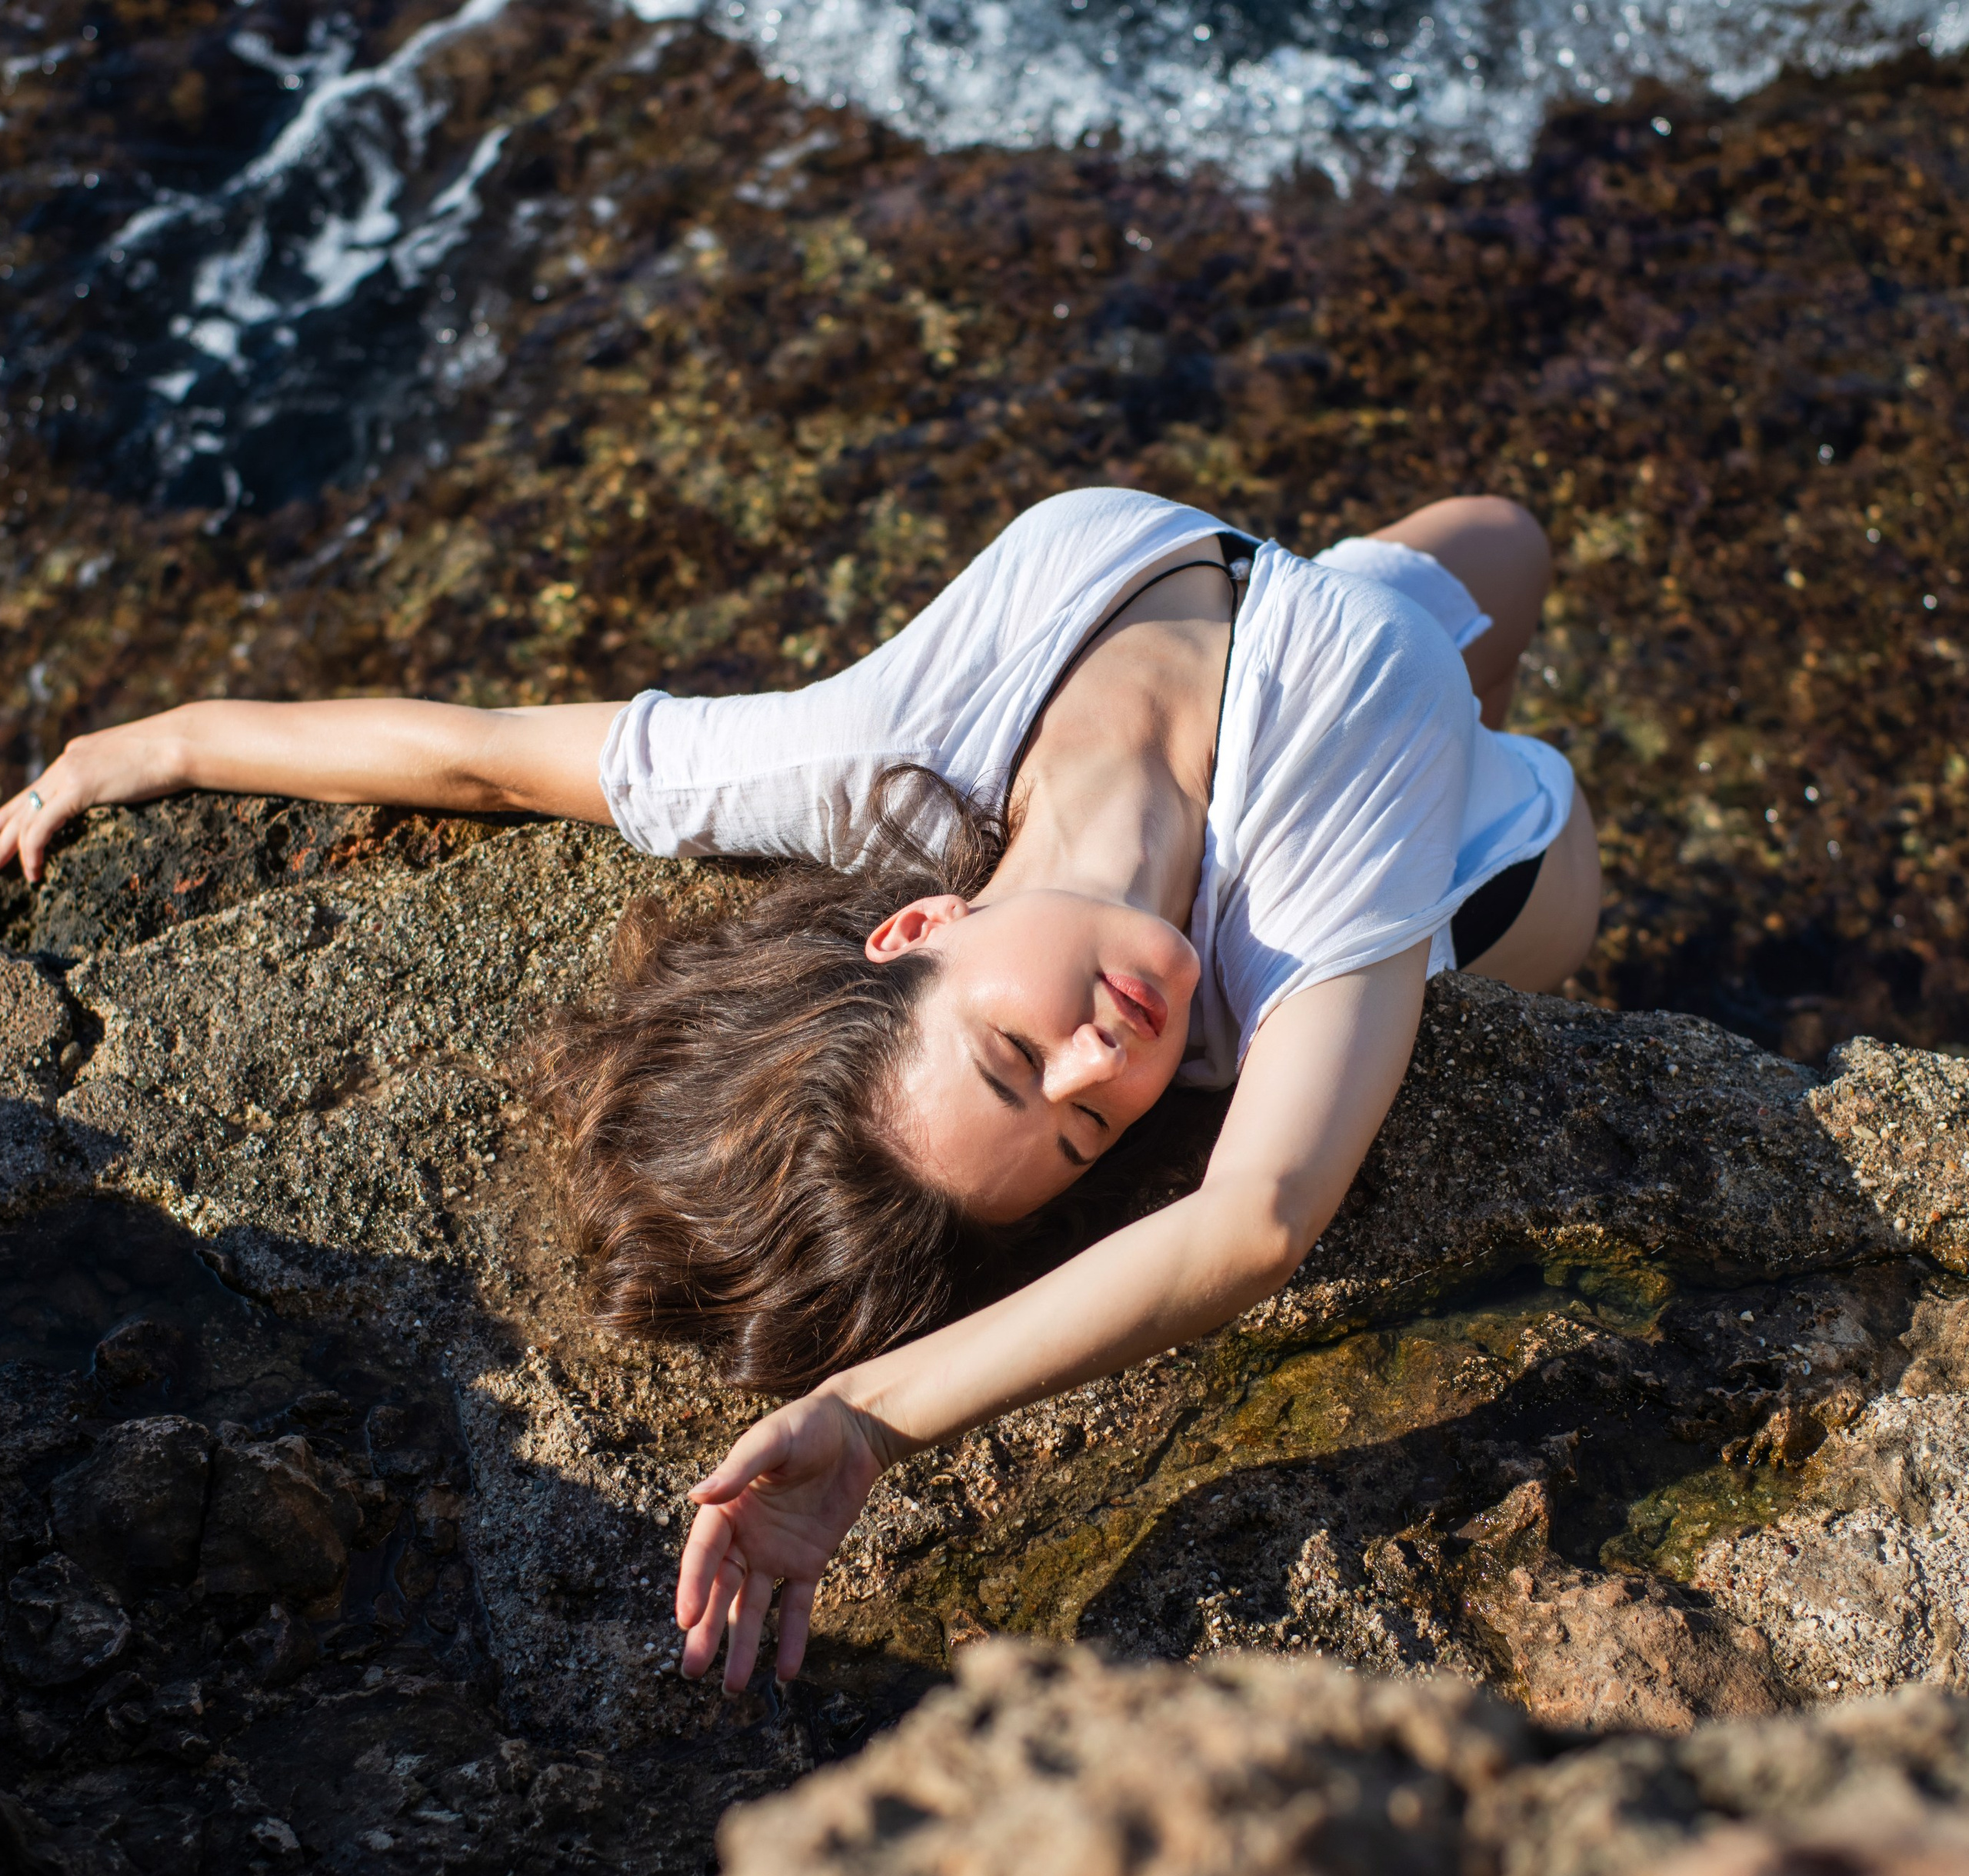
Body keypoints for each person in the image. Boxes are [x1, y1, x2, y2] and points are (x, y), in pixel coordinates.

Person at [0, 488, 1599, 1694]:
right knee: (1496, 576)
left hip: (1358, 676)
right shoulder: (1319, 829)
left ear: (914, 924)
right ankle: (1488, 783)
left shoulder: (877, 755)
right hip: (1486, 872)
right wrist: (866, 1422)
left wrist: (166, 737)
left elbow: (489, 758)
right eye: (1091, 1126)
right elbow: (1254, 1214)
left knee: (1499, 542)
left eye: (1011, 1052)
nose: (1110, 1054)